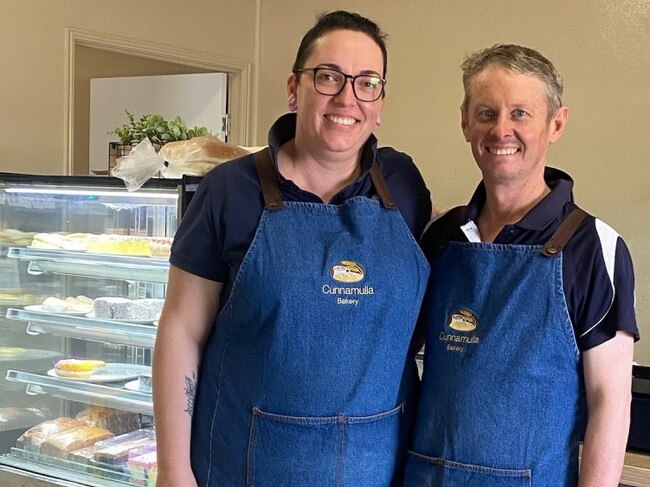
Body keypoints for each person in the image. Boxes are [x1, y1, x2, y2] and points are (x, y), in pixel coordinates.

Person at [152, 10, 432, 487]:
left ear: (380, 102)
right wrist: (174, 472)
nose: (347, 97)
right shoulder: (229, 192)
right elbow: (181, 330)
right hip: (245, 462)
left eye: (366, 82)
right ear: (293, 88)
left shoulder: (403, 187)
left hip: (376, 465)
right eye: (328, 77)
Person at [404, 44, 638, 486]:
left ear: (557, 124)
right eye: (487, 113)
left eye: (521, 114)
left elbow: (610, 400)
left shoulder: (594, 249)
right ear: (465, 122)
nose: (501, 130)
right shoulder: (440, 239)